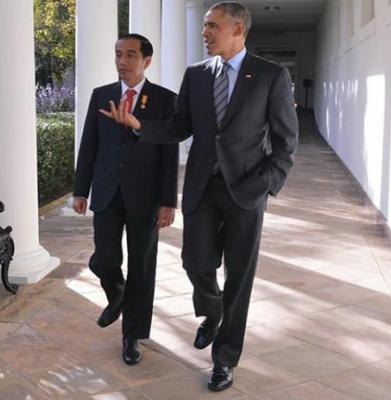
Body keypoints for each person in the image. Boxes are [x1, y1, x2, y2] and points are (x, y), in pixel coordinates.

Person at [100, 2, 298, 391]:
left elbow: (285, 142)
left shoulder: (272, 76)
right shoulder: (196, 75)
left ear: (237, 29)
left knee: (239, 278)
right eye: (204, 26)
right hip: (202, 190)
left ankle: (224, 361)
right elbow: (179, 126)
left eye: (212, 27)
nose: (205, 33)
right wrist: (139, 124)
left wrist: (266, 184)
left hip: (247, 191)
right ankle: (212, 308)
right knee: (195, 262)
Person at [73, 33, 179, 365]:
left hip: (145, 197)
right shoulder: (101, 95)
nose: (122, 60)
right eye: (118, 54)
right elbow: (89, 144)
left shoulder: (164, 100)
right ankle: (117, 294)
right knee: (104, 259)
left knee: (142, 266)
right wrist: (81, 189)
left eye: (131, 55)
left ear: (146, 60)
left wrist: (168, 201)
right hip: (106, 191)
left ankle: (132, 335)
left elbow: (168, 153)